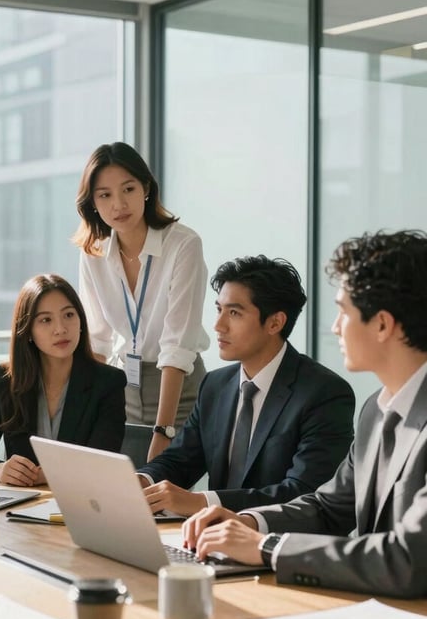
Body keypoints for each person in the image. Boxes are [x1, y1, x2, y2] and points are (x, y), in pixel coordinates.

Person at [183, 231, 427, 598]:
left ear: (381, 324)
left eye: (343, 311)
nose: (334, 327)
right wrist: (249, 522)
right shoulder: (377, 409)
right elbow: (330, 507)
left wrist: (268, 549)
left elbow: (407, 559)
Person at [136, 255, 355, 516]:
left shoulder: (324, 394)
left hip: (279, 546)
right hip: (208, 541)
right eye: (219, 310)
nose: (218, 326)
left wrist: (202, 503)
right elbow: (180, 460)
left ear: (275, 322)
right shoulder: (215, 385)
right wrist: (141, 481)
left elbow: (302, 492)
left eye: (234, 313)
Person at [74, 142, 210, 462]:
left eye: (128, 189)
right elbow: (96, 340)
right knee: (124, 494)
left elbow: (177, 344)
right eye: (104, 194)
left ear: (146, 189)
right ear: (92, 202)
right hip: (125, 387)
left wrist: (164, 431)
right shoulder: (93, 252)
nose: (119, 204)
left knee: (166, 494)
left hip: (180, 387)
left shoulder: (183, 244)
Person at [0, 273, 127, 486]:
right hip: (22, 506)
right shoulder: (6, 380)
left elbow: (102, 462)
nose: (61, 329)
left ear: (81, 321)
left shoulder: (108, 382)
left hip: (82, 504)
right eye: (46, 320)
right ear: (27, 331)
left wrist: (54, 474)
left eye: (69, 315)